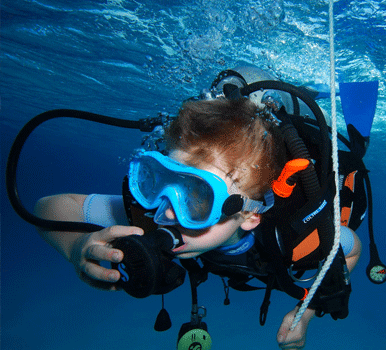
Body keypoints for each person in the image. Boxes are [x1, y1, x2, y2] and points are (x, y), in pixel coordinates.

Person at [34, 81, 362, 350]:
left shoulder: (298, 238)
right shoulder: (152, 215)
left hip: (300, 222)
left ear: (250, 213)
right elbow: (50, 207)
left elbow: (352, 247)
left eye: (199, 197)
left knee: (353, 167)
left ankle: (326, 108)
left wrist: (305, 313)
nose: (165, 214)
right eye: (160, 181)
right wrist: (77, 247)